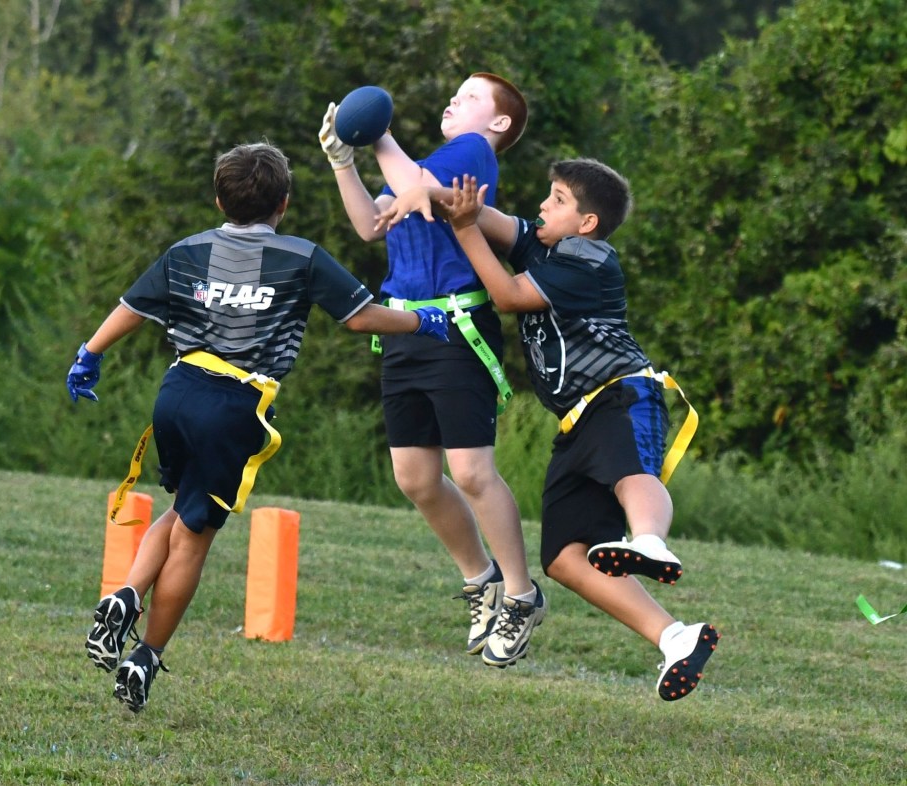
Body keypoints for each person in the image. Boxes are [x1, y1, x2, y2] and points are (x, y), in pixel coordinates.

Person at [66, 142, 450, 713]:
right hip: (234, 405)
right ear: (284, 205)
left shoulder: (187, 250)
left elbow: (133, 307)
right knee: (195, 537)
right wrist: (422, 320)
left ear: (219, 198)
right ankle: (146, 654)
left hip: (177, 391)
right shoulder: (301, 257)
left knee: (178, 508)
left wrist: (89, 353)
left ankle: (126, 592)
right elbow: (361, 317)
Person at [377, 160, 719, 700]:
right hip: (574, 420)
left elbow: (509, 296)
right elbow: (480, 212)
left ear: (586, 222)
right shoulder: (539, 242)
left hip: (620, 391)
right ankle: (677, 637)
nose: (542, 205)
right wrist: (425, 184)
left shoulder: (590, 259)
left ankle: (651, 540)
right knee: (563, 556)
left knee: (629, 472)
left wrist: (464, 228)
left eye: (557, 199)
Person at [317, 74, 545, 667]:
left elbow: (415, 187)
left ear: (497, 124)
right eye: (456, 92)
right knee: (415, 478)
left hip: (455, 327)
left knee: (470, 472)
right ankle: (482, 579)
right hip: (406, 328)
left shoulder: (473, 153)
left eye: (470, 97)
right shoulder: (431, 163)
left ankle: (522, 594)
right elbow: (373, 224)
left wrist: (378, 132)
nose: (453, 99)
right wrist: (344, 161)